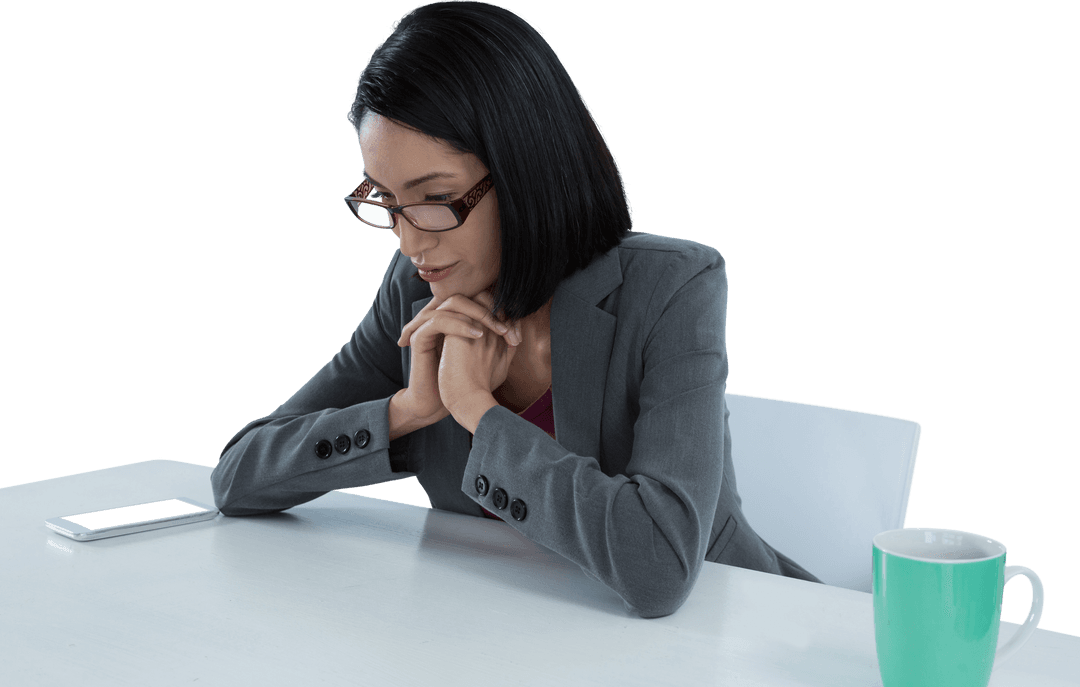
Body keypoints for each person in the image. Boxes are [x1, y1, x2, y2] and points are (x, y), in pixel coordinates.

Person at [211, 0, 821, 619]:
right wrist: (407, 410)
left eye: (436, 200)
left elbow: (658, 568)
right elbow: (236, 477)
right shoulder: (416, 291)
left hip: (736, 631)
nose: (411, 241)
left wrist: (478, 411)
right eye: (387, 201)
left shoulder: (670, 289)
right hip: (502, 638)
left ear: (526, 172)